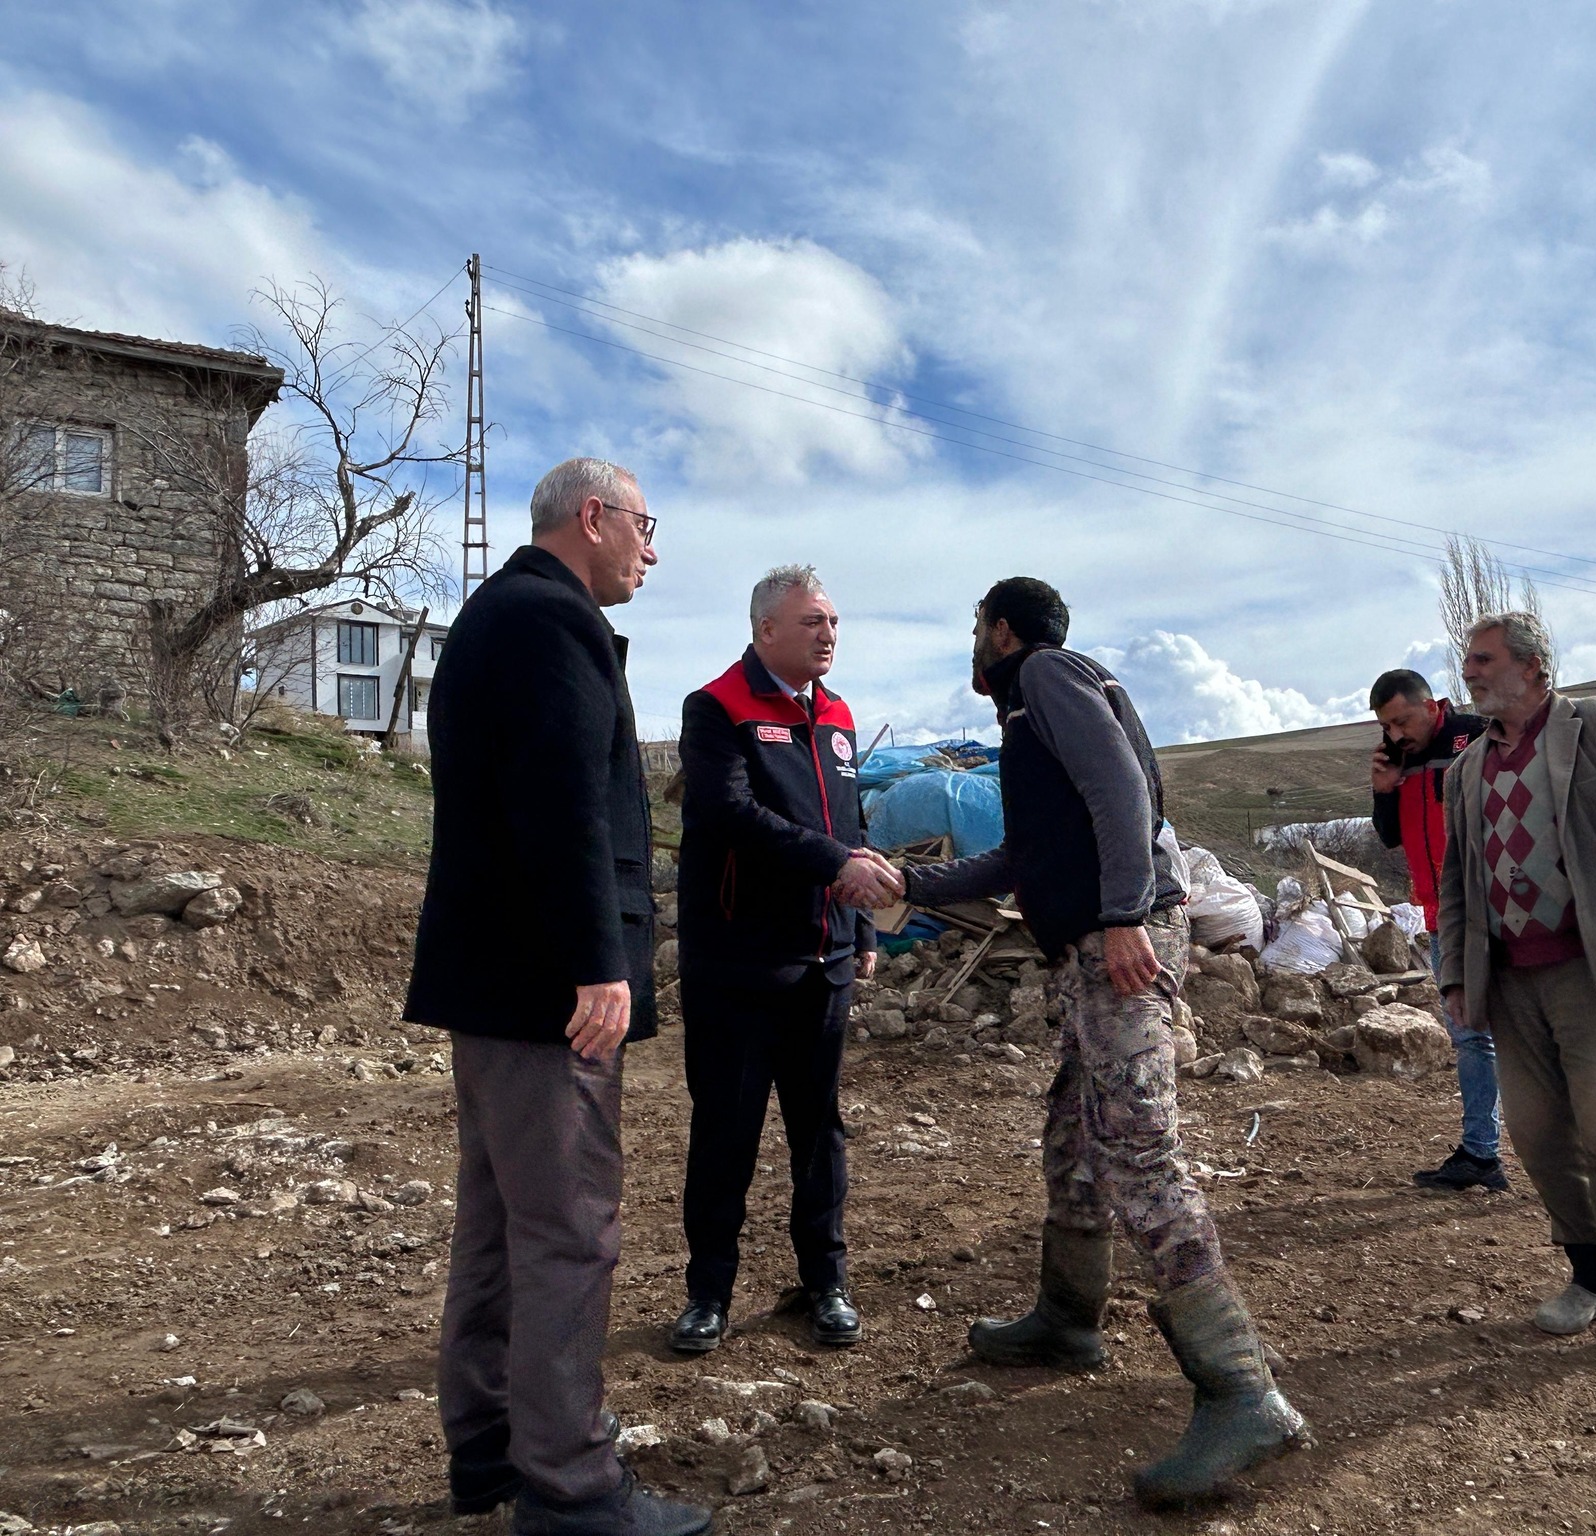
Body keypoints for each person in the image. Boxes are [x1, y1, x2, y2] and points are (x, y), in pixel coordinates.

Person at [901, 577, 1309, 1508]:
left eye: (976, 628)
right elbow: (1024, 856)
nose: (973, 643)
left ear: (1001, 632)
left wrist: (1124, 913)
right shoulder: (1031, 714)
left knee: (1136, 1147)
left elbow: (1125, 791)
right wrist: (911, 885)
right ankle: (1067, 1317)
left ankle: (1242, 1391)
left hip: (1115, 938)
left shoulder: (1045, 675)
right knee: (1074, 1132)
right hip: (1091, 942)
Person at [405, 459, 711, 1536]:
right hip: (547, 990)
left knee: (500, 1223)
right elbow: (563, 803)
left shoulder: (497, 613)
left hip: (494, 983)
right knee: (570, 1229)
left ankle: (489, 1448)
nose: (651, 549)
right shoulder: (551, 622)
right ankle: (570, 1486)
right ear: (593, 518)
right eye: (643, 525)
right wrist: (600, 964)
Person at [1436, 611, 1596, 1370]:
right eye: (1468, 661)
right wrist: (1455, 973)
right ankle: (1591, 1280)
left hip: (1592, 967)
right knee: (1539, 1138)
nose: (1471, 672)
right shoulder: (1465, 769)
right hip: (1509, 981)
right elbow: (1456, 882)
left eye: (1483, 659)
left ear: (1533, 666)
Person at [667, 564, 900, 1356]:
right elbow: (730, 815)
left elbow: (853, 819)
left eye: (833, 622)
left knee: (818, 1130)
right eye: (812, 623)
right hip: (737, 963)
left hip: (823, 960)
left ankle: (824, 1282)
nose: (828, 635)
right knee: (726, 1130)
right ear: (767, 629)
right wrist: (835, 862)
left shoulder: (836, 717)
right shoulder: (717, 709)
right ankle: (709, 1293)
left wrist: (861, 929)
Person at [1367, 670, 1503, 1192]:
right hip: (1440, 916)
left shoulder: (1478, 736)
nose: (1396, 734)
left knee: (1533, 1031)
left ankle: (1578, 1149)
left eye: (1403, 720)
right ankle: (1481, 1154)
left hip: (1497, 909)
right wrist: (1383, 791)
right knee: (1471, 1037)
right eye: (1386, 725)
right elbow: (1390, 838)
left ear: (1431, 705)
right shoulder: (1399, 761)